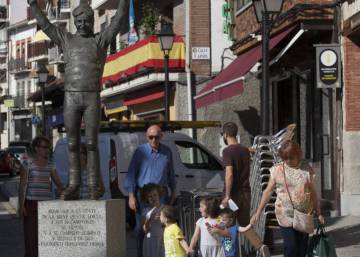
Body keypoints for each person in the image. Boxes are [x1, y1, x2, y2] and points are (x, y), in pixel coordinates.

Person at [27, 0, 126, 200]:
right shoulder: (66, 39)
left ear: (91, 21)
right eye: (78, 21)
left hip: (91, 96)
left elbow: (118, 20)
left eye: (86, 21)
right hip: (70, 96)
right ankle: (73, 184)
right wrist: (33, 6)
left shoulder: (100, 40)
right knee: (72, 143)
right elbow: (46, 25)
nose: (82, 25)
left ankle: (93, 186)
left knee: (91, 143)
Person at [250, 140, 325, 257]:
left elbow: (313, 193)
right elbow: (268, 191)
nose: (288, 161)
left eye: (291, 157)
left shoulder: (306, 169)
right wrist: (257, 213)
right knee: (291, 247)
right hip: (284, 214)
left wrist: (319, 213)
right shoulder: (277, 170)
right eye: (285, 158)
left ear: (298, 154)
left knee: (301, 249)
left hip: (303, 215)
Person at [124, 125, 176, 257]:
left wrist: (174, 192)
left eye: (156, 137)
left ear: (161, 136)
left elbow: (171, 174)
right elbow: (131, 175)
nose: (153, 140)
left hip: (161, 195)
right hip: (143, 196)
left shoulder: (167, 152)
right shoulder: (140, 152)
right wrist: (131, 196)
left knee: (161, 228)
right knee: (141, 230)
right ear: (147, 137)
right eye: (150, 137)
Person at [18, 136, 64, 257]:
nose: (47, 150)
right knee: (31, 239)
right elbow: (23, 185)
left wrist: (65, 193)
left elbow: (58, 183)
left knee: (45, 238)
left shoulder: (50, 165)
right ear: (36, 148)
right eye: (44, 147)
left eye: (48, 148)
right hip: (31, 204)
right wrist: (21, 206)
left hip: (46, 206)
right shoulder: (27, 163)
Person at [220, 122, 251, 227]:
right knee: (245, 225)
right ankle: (256, 243)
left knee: (227, 226)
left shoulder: (227, 151)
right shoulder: (245, 150)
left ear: (225, 135)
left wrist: (227, 196)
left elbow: (229, 173)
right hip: (246, 193)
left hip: (233, 194)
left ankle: (228, 245)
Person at [142, 184, 165, 257]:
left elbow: (169, 225)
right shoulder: (145, 211)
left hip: (162, 239)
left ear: (159, 195)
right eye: (150, 196)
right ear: (146, 198)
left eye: (155, 195)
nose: (153, 198)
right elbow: (145, 230)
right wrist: (149, 220)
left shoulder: (164, 208)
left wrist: (163, 219)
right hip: (150, 241)